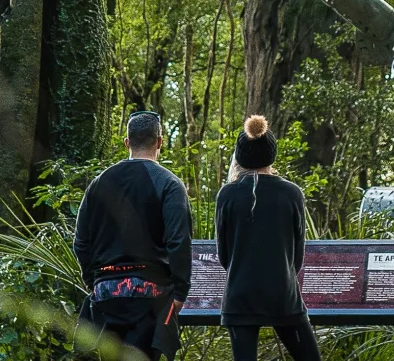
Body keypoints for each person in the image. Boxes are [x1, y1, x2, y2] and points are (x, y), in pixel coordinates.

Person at [73, 111, 192, 361]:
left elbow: (81, 242)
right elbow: (178, 242)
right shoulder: (169, 184)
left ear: (127, 142)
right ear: (160, 142)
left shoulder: (98, 183)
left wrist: (93, 281)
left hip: (105, 295)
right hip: (151, 298)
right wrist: (180, 293)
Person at [215, 115, 322, 361]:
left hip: (240, 296)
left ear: (240, 156)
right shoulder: (291, 193)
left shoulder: (228, 195)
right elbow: (297, 255)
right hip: (283, 295)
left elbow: (224, 254)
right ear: (271, 155)